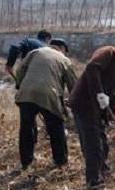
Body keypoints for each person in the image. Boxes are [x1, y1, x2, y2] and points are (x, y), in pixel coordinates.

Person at [69, 38, 115, 190]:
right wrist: (99, 93)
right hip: (83, 104)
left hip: (97, 109)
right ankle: (94, 184)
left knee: (103, 144)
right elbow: (91, 68)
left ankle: (102, 170)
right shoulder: (108, 53)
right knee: (94, 145)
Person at [14, 39, 76, 170]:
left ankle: (26, 162)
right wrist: (73, 101)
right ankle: (60, 162)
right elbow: (74, 85)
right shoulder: (64, 59)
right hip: (48, 95)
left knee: (26, 128)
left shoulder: (35, 52)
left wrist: (20, 85)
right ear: (62, 48)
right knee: (56, 128)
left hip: (26, 94)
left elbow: (20, 69)